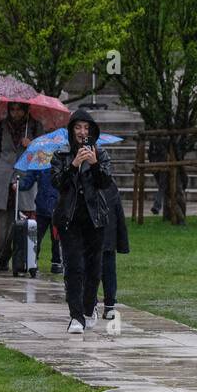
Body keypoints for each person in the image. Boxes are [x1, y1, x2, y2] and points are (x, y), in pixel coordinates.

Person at [50, 107, 114, 334]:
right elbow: (58, 183)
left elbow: (105, 183)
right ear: (71, 130)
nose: (82, 132)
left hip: (95, 218)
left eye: (86, 128)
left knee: (93, 268)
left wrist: (94, 163)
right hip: (70, 218)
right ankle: (75, 316)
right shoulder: (61, 154)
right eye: (77, 127)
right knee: (74, 267)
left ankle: (89, 308)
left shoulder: (101, 153)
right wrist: (74, 164)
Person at [0, 101, 42, 275]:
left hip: (24, 179)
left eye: (19, 110)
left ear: (26, 111)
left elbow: (43, 154)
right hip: (3, 179)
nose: (15, 113)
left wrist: (31, 145)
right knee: (3, 225)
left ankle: (17, 259)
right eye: (12, 109)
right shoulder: (1, 126)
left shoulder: (34, 126)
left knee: (21, 223)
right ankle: (2, 258)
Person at [92, 181, 130, 323]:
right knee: (108, 272)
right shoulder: (110, 185)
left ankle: (96, 304)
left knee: (94, 271)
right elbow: (118, 213)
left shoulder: (87, 182)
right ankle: (109, 306)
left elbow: (118, 212)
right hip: (108, 237)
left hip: (98, 236)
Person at [18, 165, 62, 275]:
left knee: (56, 237)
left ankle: (56, 262)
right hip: (44, 205)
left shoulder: (59, 161)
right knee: (37, 236)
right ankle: (33, 261)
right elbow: (29, 180)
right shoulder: (40, 163)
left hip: (56, 205)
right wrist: (19, 184)